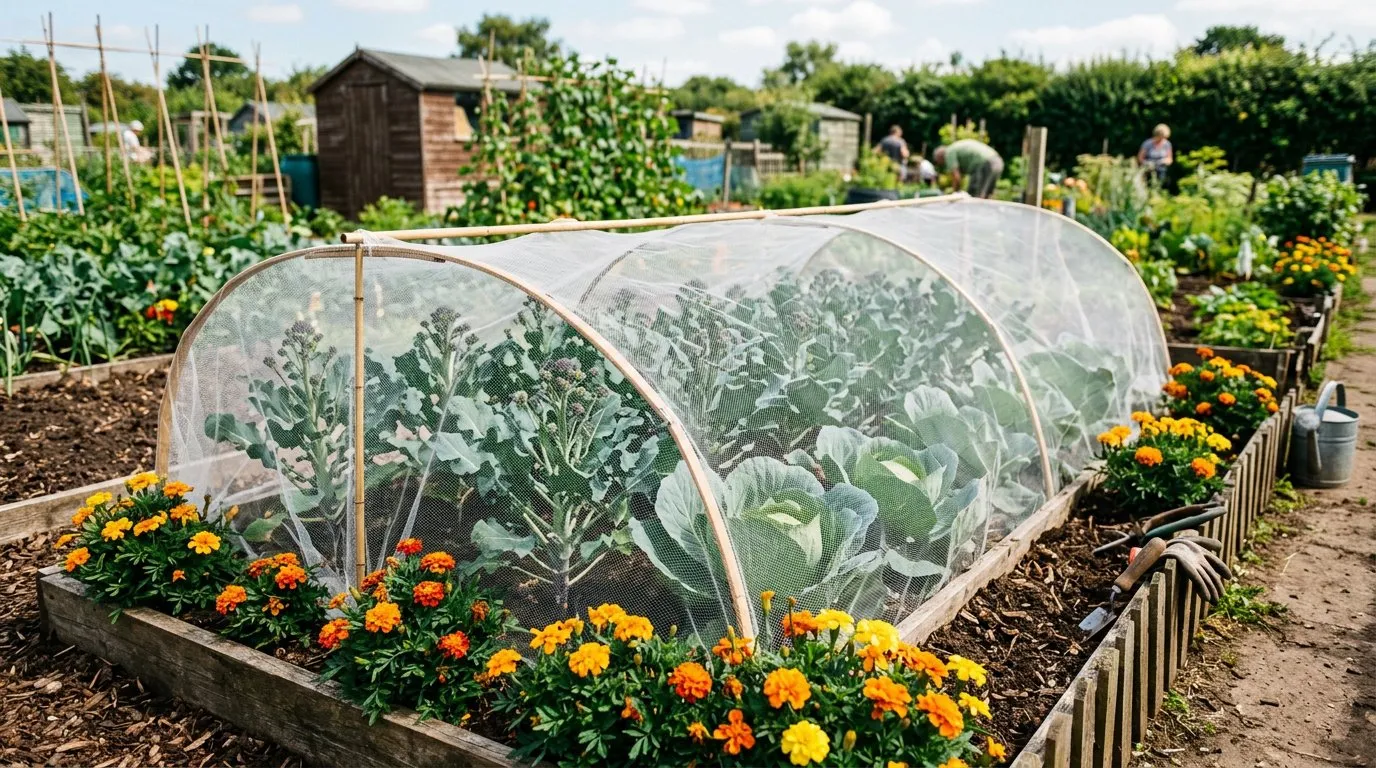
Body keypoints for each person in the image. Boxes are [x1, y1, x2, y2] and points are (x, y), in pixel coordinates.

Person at [933, 139, 1003, 198]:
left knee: (974, 196)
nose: (941, 164)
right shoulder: (955, 148)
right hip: (997, 161)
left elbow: (956, 177)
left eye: (938, 162)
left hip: (984, 163)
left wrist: (955, 195)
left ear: (939, 156)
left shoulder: (949, 152)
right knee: (987, 196)